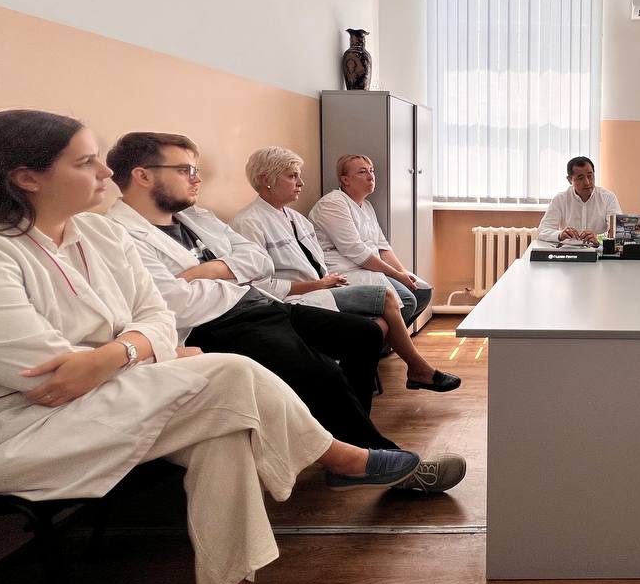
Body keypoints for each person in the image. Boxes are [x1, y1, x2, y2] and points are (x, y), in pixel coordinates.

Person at [0, 110, 425, 584]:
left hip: (116, 398)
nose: (106, 174)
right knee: (228, 371)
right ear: (26, 177)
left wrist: (120, 352)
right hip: (22, 429)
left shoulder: (98, 233)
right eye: (86, 163)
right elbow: (50, 374)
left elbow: (157, 316)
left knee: (223, 428)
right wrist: (145, 349)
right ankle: (341, 458)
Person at [104, 131, 464, 483]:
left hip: (260, 305)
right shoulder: (120, 234)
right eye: (186, 170)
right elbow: (176, 303)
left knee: (365, 335)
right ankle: (371, 459)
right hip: (216, 325)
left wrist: (210, 271)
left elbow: (259, 260)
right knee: (322, 372)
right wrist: (234, 276)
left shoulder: (195, 217)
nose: (197, 179)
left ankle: (351, 439)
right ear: (143, 175)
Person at [229, 146, 459, 392]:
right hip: (295, 300)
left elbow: (323, 260)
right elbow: (260, 287)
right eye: (292, 176)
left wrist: (327, 281)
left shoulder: (296, 218)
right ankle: (416, 369)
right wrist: (318, 284)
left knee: (403, 302)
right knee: (386, 298)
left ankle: (383, 373)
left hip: (323, 287)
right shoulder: (249, 223)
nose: (301, 183)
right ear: (266, 179)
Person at [308, 154, 436, 341]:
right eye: (362, 172)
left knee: (422, 292)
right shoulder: (332, 204)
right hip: (347, 270)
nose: (370, 177)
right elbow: (356, 251)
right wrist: (396, 275)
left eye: (371, 171)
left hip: (370, 267)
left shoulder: (366, 206)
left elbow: (382, 247)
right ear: (345, 180)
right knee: (407, 301)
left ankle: (384, 343)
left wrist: (402, 274)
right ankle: (373, 344)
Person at [536, 156, 621, 245]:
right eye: (580, 178)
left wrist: (598, 238)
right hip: (569, 251)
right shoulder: (560, 199)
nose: (587, 182)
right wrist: (560, 235)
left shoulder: (608, 198)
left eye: (590, 176)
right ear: (570, 180)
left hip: (598, 250)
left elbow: (618, 232)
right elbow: (542, 231)